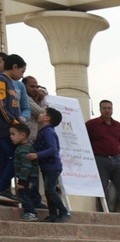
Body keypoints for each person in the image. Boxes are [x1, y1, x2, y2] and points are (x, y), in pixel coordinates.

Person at [85, 99, 120, 213]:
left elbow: (118, 140)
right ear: (100, 109)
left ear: (112, 109)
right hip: (100, 159)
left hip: (116, 159)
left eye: (109, 108)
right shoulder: (91, 124)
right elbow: (85, 140)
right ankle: (103, 212)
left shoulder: (118, 125)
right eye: (104, 108)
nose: (107, 110)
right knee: (102, 188)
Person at [27, 107, 70, 223]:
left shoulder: (49, 132)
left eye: (42, 113)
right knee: (48, 191)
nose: (39, 114)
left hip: (52, 166)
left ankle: (64, 211)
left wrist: (37, 155)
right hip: (46, 167)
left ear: (47, 118)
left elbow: (53, 149)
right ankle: (52, 215)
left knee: (50, 189)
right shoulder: (43, 131)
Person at [0, 54, 24, 205]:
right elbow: (1, 105)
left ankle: (4, 189)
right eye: (22, 71)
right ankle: (2, 188)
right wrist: (14, 122)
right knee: (17, 157)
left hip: (10, 127)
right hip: (4, 128)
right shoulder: (2, 80)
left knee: (4, 160)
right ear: (14, 67)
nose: (22, 76)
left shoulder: (11, 83)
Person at [10, 123, 40, 221]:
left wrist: (21, 181)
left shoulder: (24, 149)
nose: (11, 137)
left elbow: (26, 166)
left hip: (27, 177)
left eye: (13, 134)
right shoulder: (24, 147)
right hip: (29, 177)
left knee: (23, 194)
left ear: (23, 135)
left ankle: (31, 213)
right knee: (29, 194)